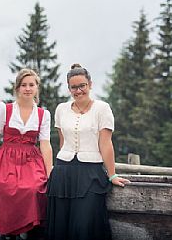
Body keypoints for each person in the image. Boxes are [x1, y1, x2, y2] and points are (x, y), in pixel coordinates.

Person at [47, 64, 129, 240]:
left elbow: (106, 144)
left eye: (82, 85)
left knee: (85, 227)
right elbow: (62, 142)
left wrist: (112, 175)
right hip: (62, 174)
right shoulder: (61, 109)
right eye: (73, 87)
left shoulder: (102, 108)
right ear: (69, 88)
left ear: (90, 84)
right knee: (61, 228)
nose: (78, 91)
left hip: (90, 173)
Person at [0, 68, 53, 240]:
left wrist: (49, 171)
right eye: (24, 85)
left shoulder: (43, 114)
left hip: (31, 160)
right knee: (8, 188)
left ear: (37, 88)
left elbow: (45, 145)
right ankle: (11, 233)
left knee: (36, 188)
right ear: (17, 88)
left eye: (31, 85)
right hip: (7, 159)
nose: (28, 88)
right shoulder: (4, 109)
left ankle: (31, 231)